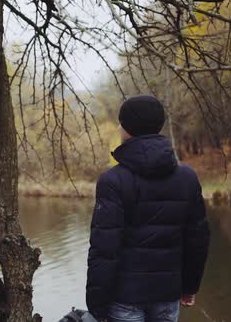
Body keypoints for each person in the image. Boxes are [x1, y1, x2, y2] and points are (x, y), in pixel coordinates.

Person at [86, 95, 210, 322]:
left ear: (127, 129)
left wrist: (97, 305)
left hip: (124, 298)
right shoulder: (188, 177)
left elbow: (104, 249)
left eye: (121, 123)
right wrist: (189, 286)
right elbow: (197, 240)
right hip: (167, 294)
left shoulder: (112, 181)